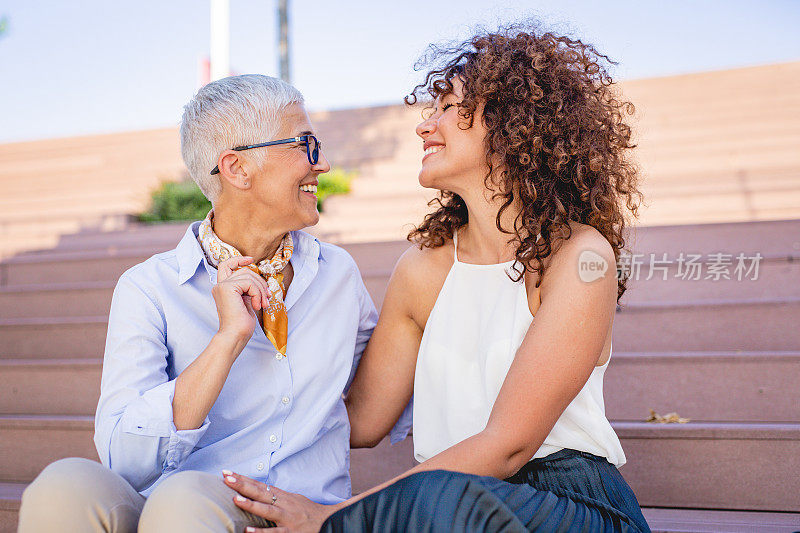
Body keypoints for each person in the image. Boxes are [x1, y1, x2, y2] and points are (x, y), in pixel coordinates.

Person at [222, 24, 651, 532]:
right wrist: (271, 315)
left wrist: (333, 518)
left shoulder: (582, 257)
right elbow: (361, 422)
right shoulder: (422, 270)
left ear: (515, 122)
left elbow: (508, 447)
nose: (426, 125)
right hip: (443, 506)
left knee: (439, 500)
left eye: (448, 107)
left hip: (567, 506)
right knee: (438, 500)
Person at [17, 74, 407, 532]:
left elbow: (373, 408)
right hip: (176, 506)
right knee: (63, 485)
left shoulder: (339, 275)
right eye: (304, 145)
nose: (319, 164)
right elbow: (122, 459)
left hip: (294, 512)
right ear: (237, 168)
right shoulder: (148, 288)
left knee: (183, 503)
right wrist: (226, 341)